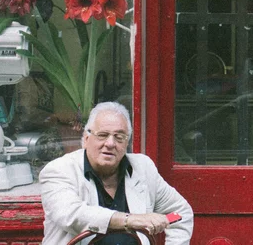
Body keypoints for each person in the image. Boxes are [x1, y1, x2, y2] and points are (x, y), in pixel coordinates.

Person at [40, 102, 194, 245]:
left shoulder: (143, 168)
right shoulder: (59, 170)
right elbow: (72, 214)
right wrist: (129, 220)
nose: (110, 143)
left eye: (119, 137)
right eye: (102, 135)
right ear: (86, 139)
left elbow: (179, 212)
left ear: (127, 143)